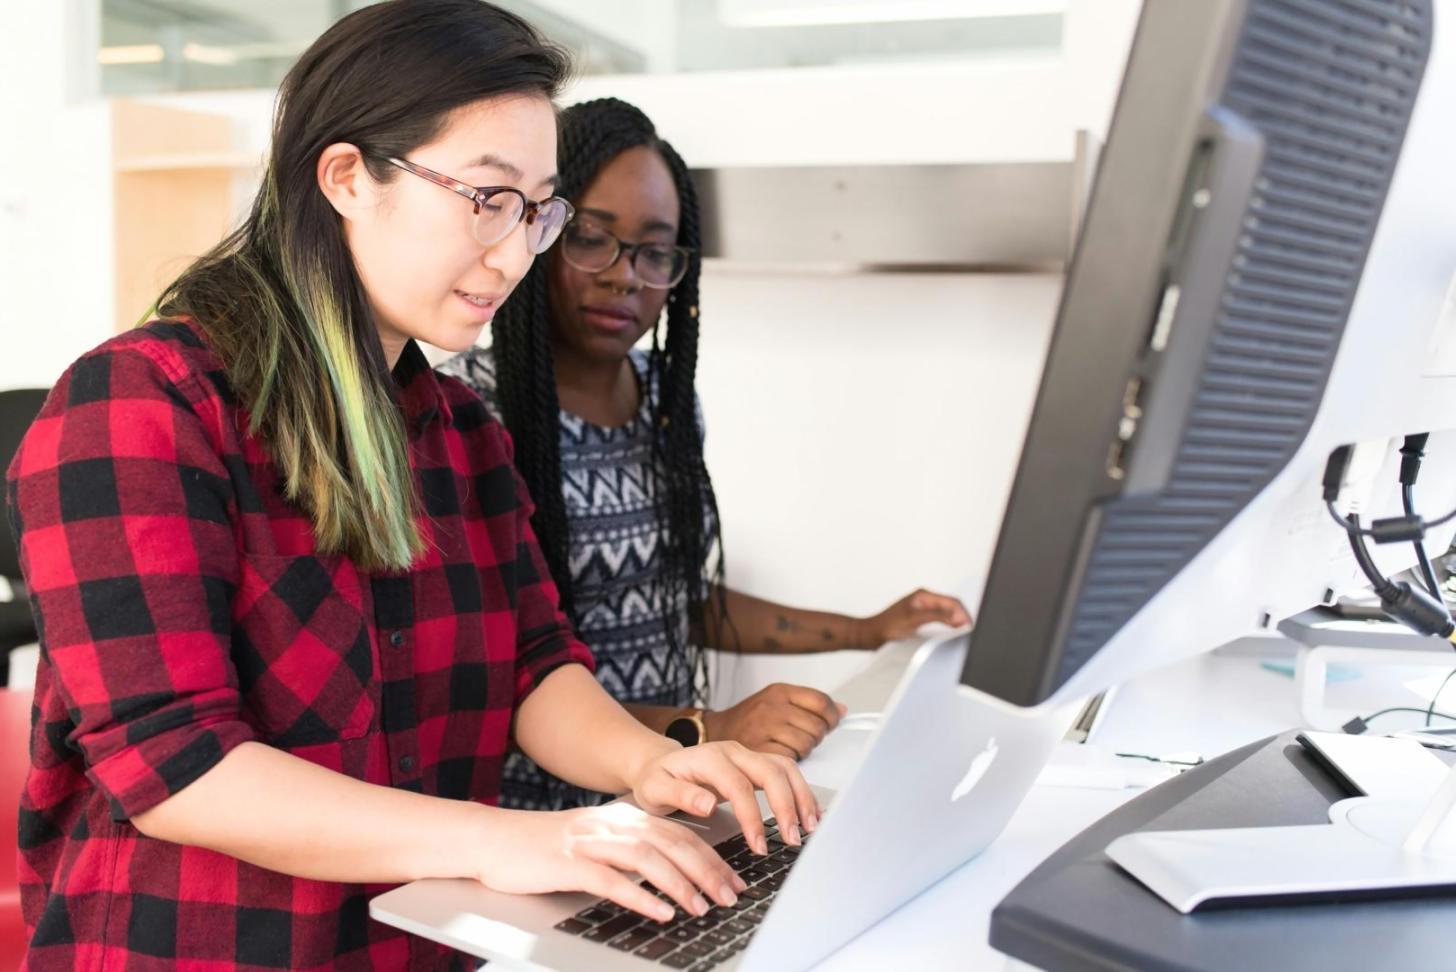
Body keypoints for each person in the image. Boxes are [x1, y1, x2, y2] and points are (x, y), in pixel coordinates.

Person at [6, 5, 816, 968]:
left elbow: (536, 667)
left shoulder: (462, 431)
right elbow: (178, 767)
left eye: (537, 210)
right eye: (488, 198)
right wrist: (518, 839)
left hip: (418, 946)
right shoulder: (141, 403)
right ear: (348, 177)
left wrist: (658, 762)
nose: (515, 254)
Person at [440, 98, 971, 813]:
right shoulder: (467, 413)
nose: (625, 276)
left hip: (665, 797)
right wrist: (706, 729)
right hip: (540, 820)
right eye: (591, 239)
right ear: (540, 229)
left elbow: (678, 598)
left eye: (655, 253)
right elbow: (495, 682)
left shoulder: (665, 402)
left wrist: (867, 630)